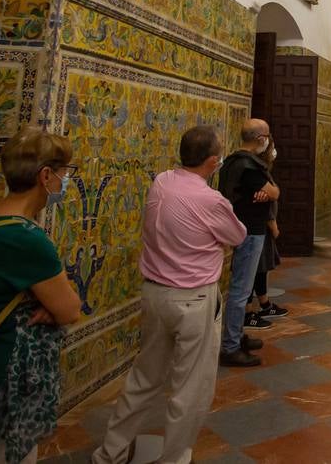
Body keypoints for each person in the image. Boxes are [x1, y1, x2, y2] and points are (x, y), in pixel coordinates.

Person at [92, 126, 246, 464]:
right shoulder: (210, 200)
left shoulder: (161, 181)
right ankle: (174, 458)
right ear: (212, 161)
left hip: (155, 294)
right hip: (193, 300)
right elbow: (236, 235)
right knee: (189, 389)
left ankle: (111, 453)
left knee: (143, 378)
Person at [0, 127, 83, 464]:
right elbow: (70, 309)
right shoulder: (24, 237)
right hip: (9, 369)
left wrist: (45, 302)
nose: (65, 180)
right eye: (64, 172)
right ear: (45, 176)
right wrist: (49, 305)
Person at [218, 119, 280, 366]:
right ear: (261, 138)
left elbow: (270, 191)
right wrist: (270, 192)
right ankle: (231, 346)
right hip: (249, 231)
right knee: (241, 290)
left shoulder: (233, 162)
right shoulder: (249, 166)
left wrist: (268, 192)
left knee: (241, 288)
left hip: (241, 227)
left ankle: (236, 335)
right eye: (268, 136)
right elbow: (275, 192)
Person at [248, 137, 287, 326]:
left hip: (261, 229)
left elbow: (271, 194)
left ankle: (264, 303)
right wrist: (274, 226)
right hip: (257, 228)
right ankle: (248, 313)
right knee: (253, 269)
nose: (274, 152)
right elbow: (270, 197)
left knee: (260, 269)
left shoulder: (262, 170)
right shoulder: (254, 170)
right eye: (272, 148)